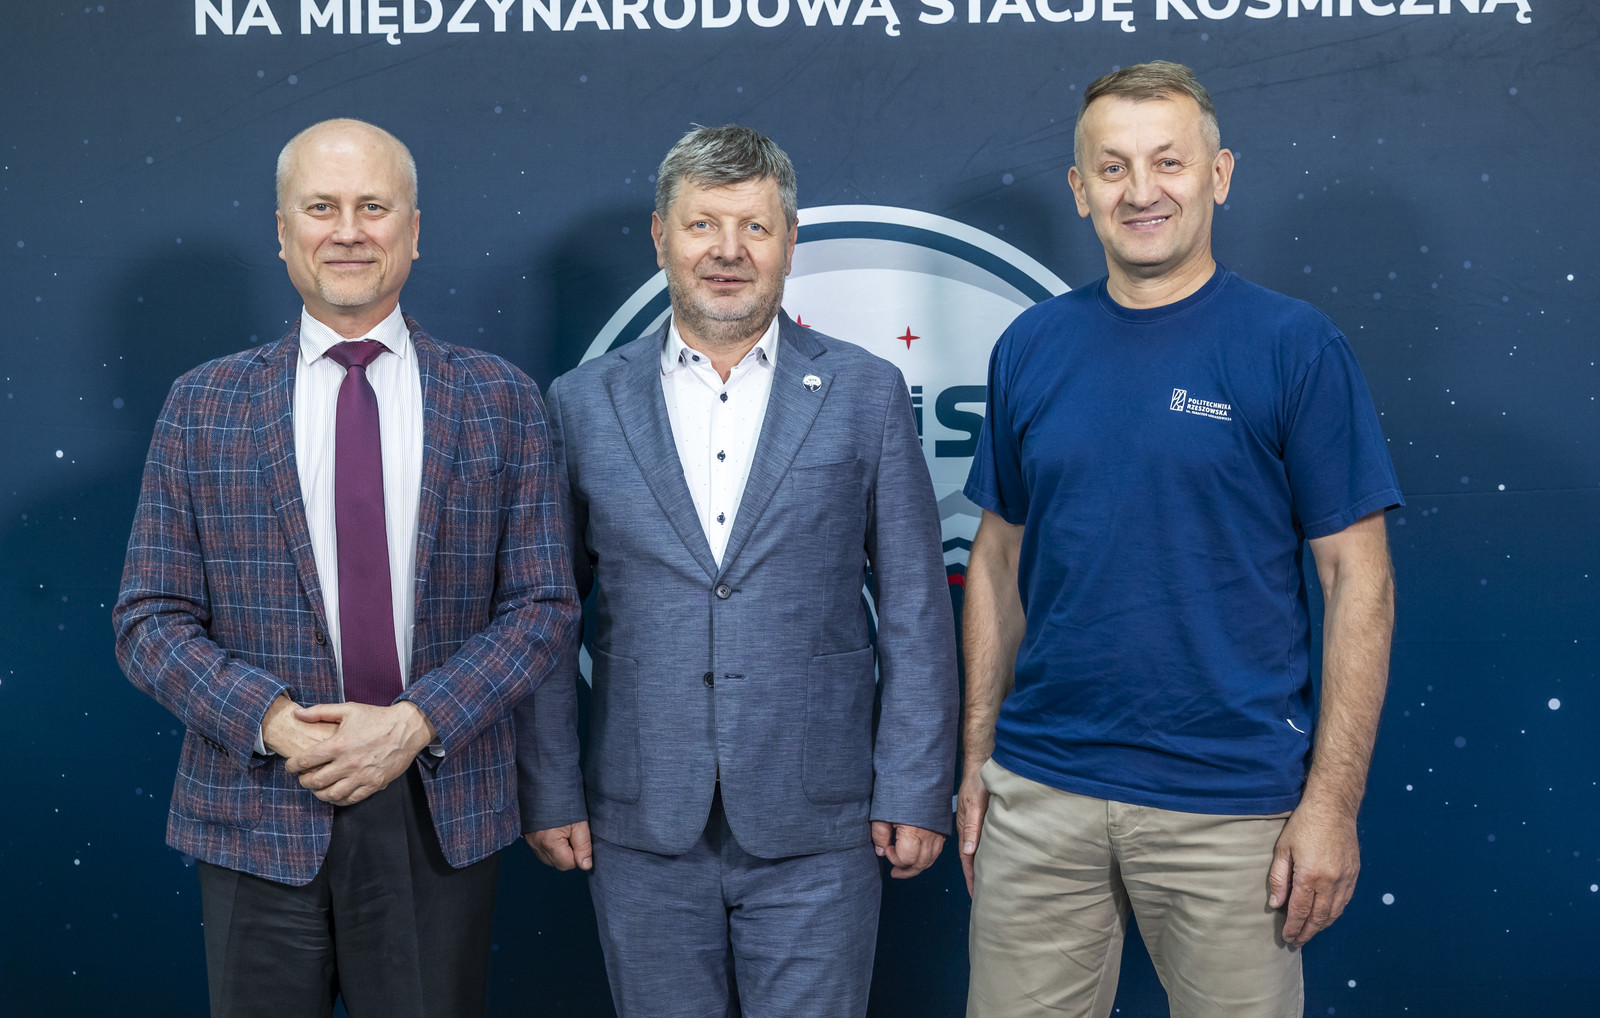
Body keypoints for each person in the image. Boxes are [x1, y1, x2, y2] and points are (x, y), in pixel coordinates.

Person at [958, 62, 1403, 1018]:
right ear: (1080, 189)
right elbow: (995, 562)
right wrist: (977, 762)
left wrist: (1331, 804)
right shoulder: (1030, 346)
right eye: (1113, 167)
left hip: (1232, 806)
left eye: (1169, 161)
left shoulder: (1295, 346)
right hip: (1041, 794)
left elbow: (1357, 581)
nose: (1142, 191)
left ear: (1219, 174)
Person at [113, 118, 578, 1017]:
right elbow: (148, 619)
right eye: (321, 208)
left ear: (414, 229)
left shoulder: (500, 398)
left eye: (374, 206)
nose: (349, 231)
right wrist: (274, 723)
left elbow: (542, 607)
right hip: (256, 810)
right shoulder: (202, 405)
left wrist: (414, 723)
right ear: (283, 230)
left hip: (437, 808)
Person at [515, 124, 958, 1018]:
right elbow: (546, 616)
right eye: (703, 225)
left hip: (821, 823)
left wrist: (916, 787)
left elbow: (916, 609)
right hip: (640, 823)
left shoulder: (865, 393)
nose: (728, 251)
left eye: (754, 227)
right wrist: (548, 787)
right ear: (661, 237)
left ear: (789, 240)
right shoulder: (582, 402)